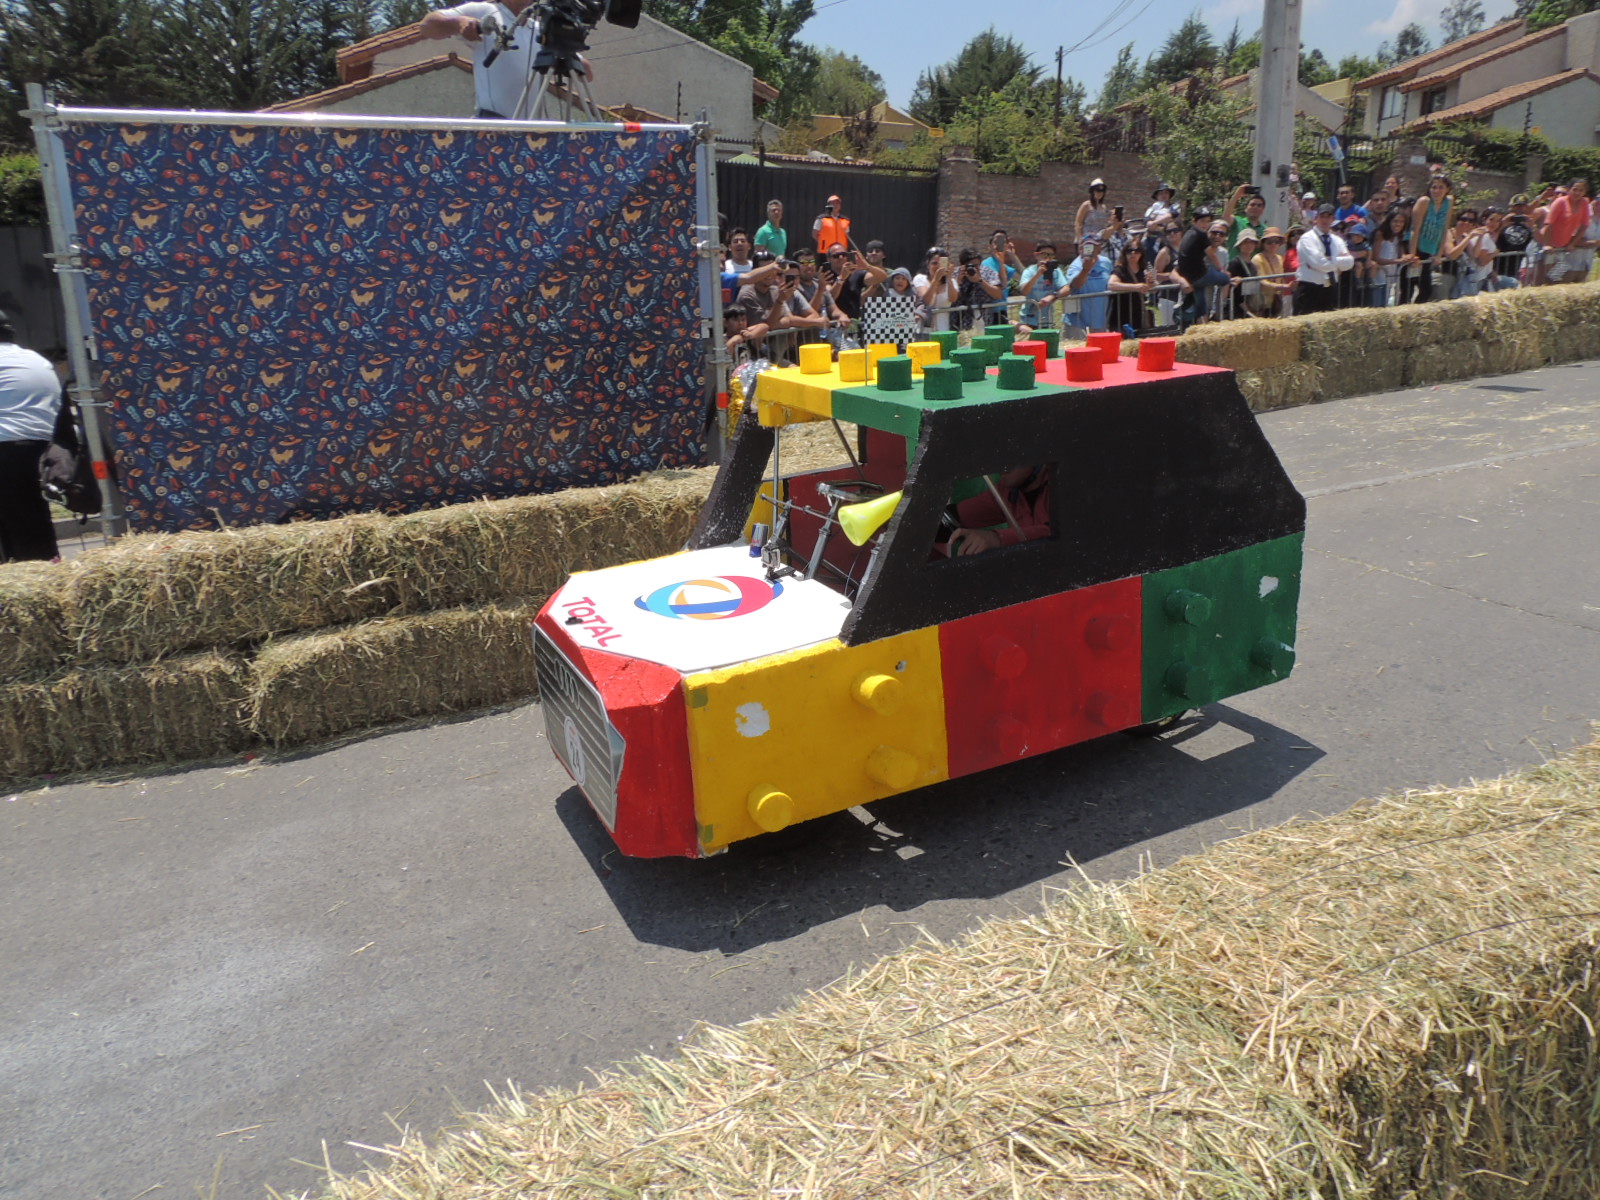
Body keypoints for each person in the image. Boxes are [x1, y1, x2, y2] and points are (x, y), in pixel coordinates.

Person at [421, 0, 587, 119]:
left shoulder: (540, 30)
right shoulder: (485, 10)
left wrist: (569, 45)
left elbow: (586, 72)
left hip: (532, 129)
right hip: (494, 123)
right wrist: (458, 22)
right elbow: (427, 26)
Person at [0, 319, 63, 562]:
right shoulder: (36, 360)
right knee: (32, 519)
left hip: (5, 445)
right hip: (40, 449)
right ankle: (46, 569)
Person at [947, 465, 1052, 556]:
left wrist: (997, 538)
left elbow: (1055, 533)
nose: (1001, 467)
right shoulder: (1007, 492)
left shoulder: (1059, 483)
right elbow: (960, 514)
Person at [1294, 204, 1353, 315]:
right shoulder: (1307, 238)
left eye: (1328, 217)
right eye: (1322, 216)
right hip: (1309, 289)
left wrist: (1330, 260)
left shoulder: (1337, 240)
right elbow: (1319, 263)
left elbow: (1350, 262)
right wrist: (1338, 264)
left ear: (1333, 219)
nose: (1325, 220)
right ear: (1316, 218)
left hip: (1330, 289)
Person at [1408, 174, 1454, 303]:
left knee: (1426, 290)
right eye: (1434, 187)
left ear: (1447, 189)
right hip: (1415, 246)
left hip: (1430, 248)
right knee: (1409, 288)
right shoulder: (1424, 202)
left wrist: (1439, 254)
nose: (1437, 191)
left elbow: (1445, 228)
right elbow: (1415, 230)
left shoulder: (1448, 202)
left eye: (1441, 187)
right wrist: (1412, 255)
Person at [1537, 178, 1591, 284]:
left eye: (1581, 190)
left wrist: (1572, 243)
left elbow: (1584, 225)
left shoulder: (1584, 203)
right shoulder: (1560, 202)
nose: (1577, 193)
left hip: (1562, 246)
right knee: (1542, 277)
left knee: (1554, 278)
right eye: (1575, 189)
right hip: (1546, 242)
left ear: (1585, 192)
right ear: (1569, 189)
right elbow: (1549, 224)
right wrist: (1547, 244)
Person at [821, 243, 886, 322]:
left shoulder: (856, 274)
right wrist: (841, 278)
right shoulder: (827, 275)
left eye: (843, 254)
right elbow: (829, 298)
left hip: (854, 323)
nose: (841, 257)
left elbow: (882, 277)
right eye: (836, 256)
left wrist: (867, 266)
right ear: (829, 259)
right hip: (835, 324)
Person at [1017, 242, 1069, 335]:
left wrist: (1053, 296)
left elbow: (1066, 288)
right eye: (1044, 254)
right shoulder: (1029, 271)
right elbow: (1024, 291)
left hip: (1047, 319)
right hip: (1029, 318)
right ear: (1036, 255)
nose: (1047, 258)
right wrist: (1037, 275)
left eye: (1051, 255)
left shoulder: (1056, 271)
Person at [1064, 234, 1113, 332]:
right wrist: (1085, 270)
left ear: (1099, 249)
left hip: (1101, 319)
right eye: (1087, 246)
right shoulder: (1075, 266)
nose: (1090, 249)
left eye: (1093, 246)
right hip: (1078, 322)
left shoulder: (1106, 262)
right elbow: (1076, 285)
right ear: (1080, 249)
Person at [1106, 241, 1154, 334]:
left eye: (1137, 251)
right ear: (1125, 253)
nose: (1133, 253)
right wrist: (1135, 287)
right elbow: (1111, 285)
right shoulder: (1120, 269)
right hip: (1120, 314)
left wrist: (1151, 284)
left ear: (1141, 253)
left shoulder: (1144, 269)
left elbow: (1153, 287)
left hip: (1138, 313)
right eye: (1129, 251)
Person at [1371, 208, 1415, 308]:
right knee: (1379, 306)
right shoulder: (1380, 234)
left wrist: (1409, 258)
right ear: (1389, 221)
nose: (1398, 224)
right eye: (1395, 221)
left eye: (1401, 222)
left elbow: (1401, 254)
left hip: (1392, 277)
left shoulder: (1398, 236)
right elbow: (1376, 258)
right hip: (1380, 278)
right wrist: (1397, 261)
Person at [1493, 196, 1536, 289]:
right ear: (1511, 207)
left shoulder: (1528, 225)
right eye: (1517, 206)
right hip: (1500, 264)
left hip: (1519, 265)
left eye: (1523, 206)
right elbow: (1492, 240)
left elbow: (1536, 241)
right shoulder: (1500, 222)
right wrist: (1503, 224)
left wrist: (1532, 227)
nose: (1520, 209)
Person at [980, 230, 1022, 324]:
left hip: (1002, 309)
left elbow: (1023, 277)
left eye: (1002, 242)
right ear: (990, 246)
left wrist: (1012, 255)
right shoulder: (986, 264)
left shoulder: (1004, 266)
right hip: (991, 311)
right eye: (996, 242)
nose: (998, 245)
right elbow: (1001, 284)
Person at [912, 247, 958, 333]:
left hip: (943, 329)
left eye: (941, 263)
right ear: (928, 264)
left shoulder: (952, 281)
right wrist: (935, 280)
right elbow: (927, 301)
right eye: (934, 263)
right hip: (924, 330)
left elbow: (953, 299)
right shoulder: (920, 279)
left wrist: (949, 278)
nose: (938, 267)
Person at [1220, 184, 1267, 259]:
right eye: (1252, 205)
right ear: (1246, 208)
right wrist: (1236, 195)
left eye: (1259, 205)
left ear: (1263, 210)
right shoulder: (1237, 222)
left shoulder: (1265, 230)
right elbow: (1226, 217)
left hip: (1253, 265)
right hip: (1234, 265)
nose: (1255, 207)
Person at [1252, 228, 1289, 318]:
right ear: (1263, 244)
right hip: (1262, 302)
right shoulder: (1257, 258)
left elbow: (1281, 278)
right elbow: (1261, 280)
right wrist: (1281, 286)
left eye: (1276, 241)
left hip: (1277, 300)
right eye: (1269, 242)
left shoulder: (1280, 258)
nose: (1273, 244)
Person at [1225, 229, 1261, 319]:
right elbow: (1233, 292)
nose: (1249, 245)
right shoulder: (1235, 263)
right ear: (1240, 245)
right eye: (1245, 242)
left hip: (1250, 308)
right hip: (1237, 310)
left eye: (1252, 242)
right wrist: (1247, 311)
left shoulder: (1253, 265)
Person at [1075, 179, 1112, 249]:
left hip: (1099, 241)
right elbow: (1078, 223)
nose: (1100, 193)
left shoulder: (1104, 207)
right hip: (1087, 240)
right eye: (1098, 190)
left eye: (1102, 191)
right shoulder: (1086, 205)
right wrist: (1080, 239)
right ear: (1092, 191)